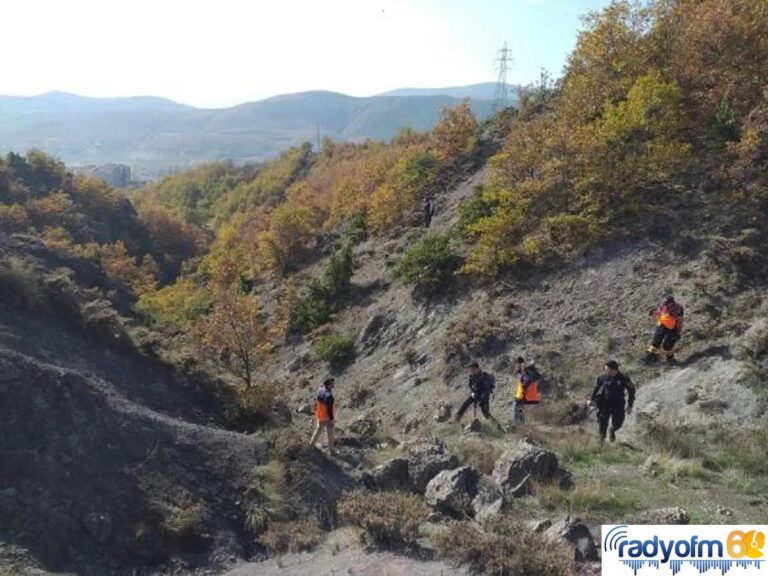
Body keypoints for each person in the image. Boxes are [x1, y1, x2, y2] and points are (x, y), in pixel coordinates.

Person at [590, 360, 635, 444]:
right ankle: (601, 440)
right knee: (602, 420)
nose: (605, 370)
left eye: (607, 369)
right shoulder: (602, 377)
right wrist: (591, 399)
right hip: (606, 403)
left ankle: (612, 430)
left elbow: (631, 390)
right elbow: (596, 388)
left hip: (619, 403)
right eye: (605, 369)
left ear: (613, 369)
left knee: (618, 422)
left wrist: (630, 405)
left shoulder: (623, 378)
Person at [455, 361, 504, 432]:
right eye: (471, 370)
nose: (471, 371)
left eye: (473, 369)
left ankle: (498, 428)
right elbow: (470, 385)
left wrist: (481, 398)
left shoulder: (485, 376)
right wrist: (472, 392)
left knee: (485, 413)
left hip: (484, 395)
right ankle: (457, 419)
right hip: (475, 393)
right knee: (465, 404)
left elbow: (487, 388)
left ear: (477, 369)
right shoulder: (472, 376)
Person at [647, 295, 684, 363]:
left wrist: (678, 332)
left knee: (667, 346)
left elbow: (680, 321)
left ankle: (670, 359)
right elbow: (660, 313)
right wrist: (653, 313)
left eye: (667, 303)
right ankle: (650, 358)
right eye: (665, 303)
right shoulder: (664, 306)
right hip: (661, 325)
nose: (665, 304)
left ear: (672, 302)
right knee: (655, 342)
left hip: (672, 328)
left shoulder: (678, 308)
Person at [309, 378, 337, 455]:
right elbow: (329, 410)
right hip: (327, 418)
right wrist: (331, 420)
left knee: (318, 431)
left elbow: (317, 402)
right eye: (332, 383)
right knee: (330, 435)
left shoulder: (320, 390)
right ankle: (332, 451)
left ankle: (311, 445)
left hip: (320, 415)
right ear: (329, 385)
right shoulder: (329, 396)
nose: (334, 384)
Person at [512, 361, 541, 427]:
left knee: (515, 408)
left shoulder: (527, 373)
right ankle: (522, 425)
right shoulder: (534, 374)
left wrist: (523, 391)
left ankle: (515, 425)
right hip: (530, 397)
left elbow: (526, 382)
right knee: (521, 409)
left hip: (522, 395)